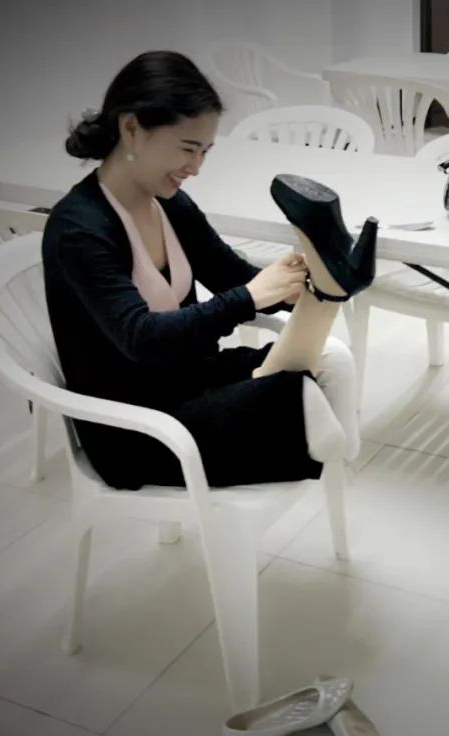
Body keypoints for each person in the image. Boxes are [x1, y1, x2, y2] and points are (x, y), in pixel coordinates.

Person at [43, 51, 376, 489]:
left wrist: (288, 287)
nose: (196, 167)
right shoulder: (79, 229)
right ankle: (330, 462)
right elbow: (141, 338)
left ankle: (330, 291)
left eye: (204, 152)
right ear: (131, 129)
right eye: (187, 149)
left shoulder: (169, 203)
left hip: (188, 382)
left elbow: (227, 273)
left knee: (334, 359)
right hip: (135, 426)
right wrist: (251, 297)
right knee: (299, 396)